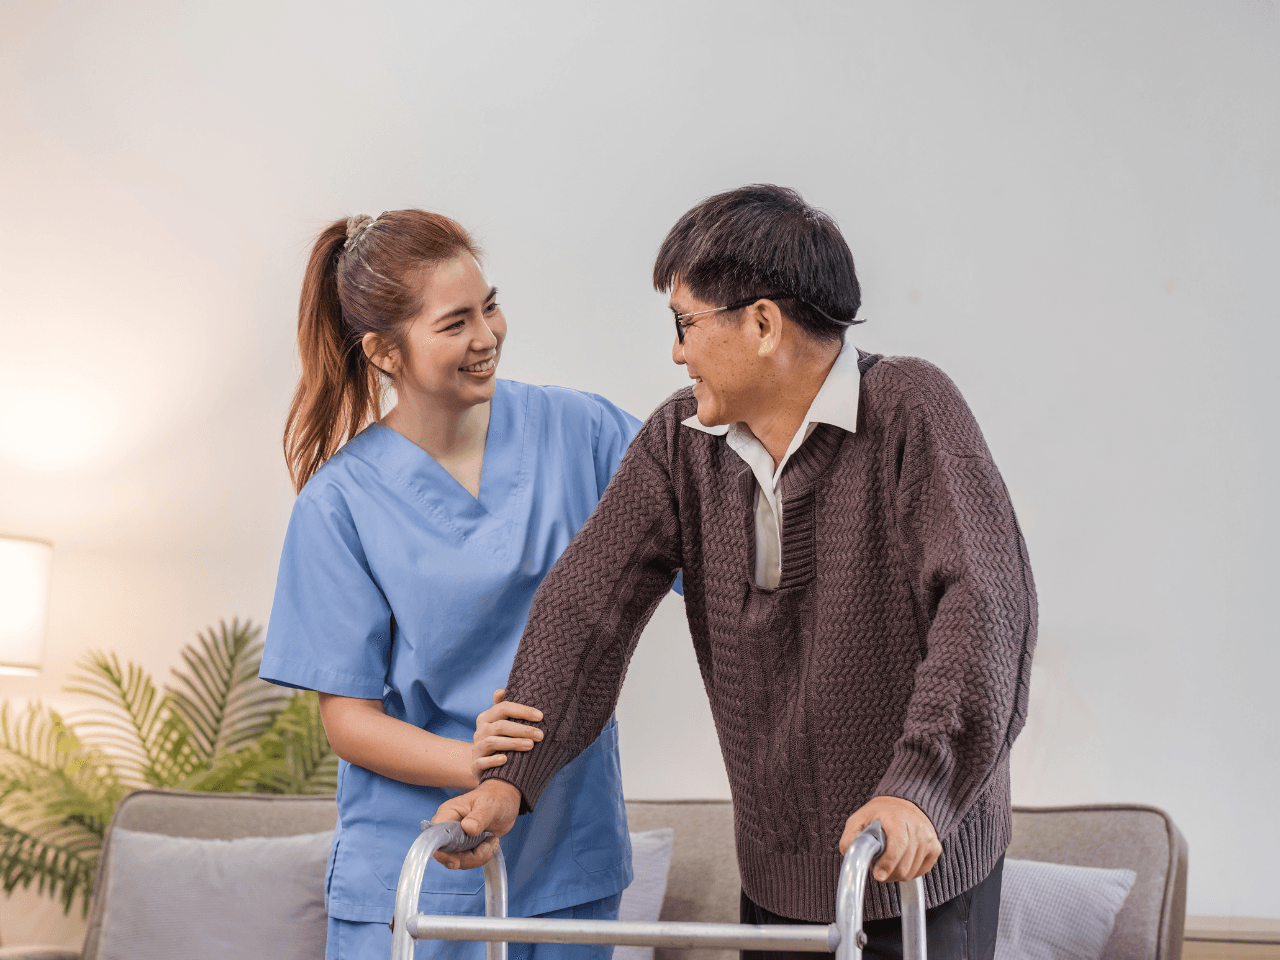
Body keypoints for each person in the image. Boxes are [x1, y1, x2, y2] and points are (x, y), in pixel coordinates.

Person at [432, 185, 1037, 960]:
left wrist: (917, 786)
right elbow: (589, 604)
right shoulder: (681, 443)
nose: (676, 352)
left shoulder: (910, 409)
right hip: (776, 872)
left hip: (917, 866)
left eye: (685, 324)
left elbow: (986, 605)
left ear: (761, 324)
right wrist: (508, 778)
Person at [259, 210, 641, 960]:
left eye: (490, 306)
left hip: (569, 857)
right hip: (420, 868)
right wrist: (476, 762)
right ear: (383, 351)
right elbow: (349, 720)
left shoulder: (584, 433)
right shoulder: (341, 505)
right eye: (455, 323)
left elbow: (716, 537)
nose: (487, 336)